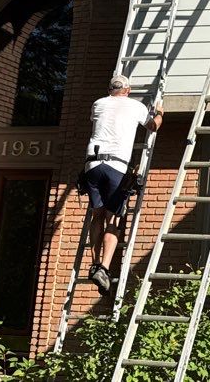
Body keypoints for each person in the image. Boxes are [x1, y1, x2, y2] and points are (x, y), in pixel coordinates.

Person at [82, 73, 162, 295]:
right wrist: (160, 113)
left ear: (110, 89)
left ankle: (94, 262)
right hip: (116, 166)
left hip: (92, 164)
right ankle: (104, 268)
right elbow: (152, 126)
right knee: (113, 220)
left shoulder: (98, 103)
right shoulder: (135, 106)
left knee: (96, 214)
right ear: (127, 90)